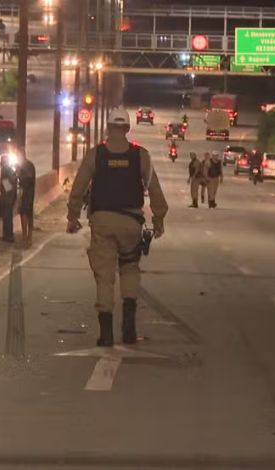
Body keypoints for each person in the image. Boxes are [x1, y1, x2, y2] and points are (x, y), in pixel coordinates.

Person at [67, 108, 168, 347]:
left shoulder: (95, 155)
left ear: (108, 128)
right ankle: (129, 327)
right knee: (130, 269)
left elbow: (78, 189)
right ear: (127, 128)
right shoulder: (140, 155)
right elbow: (155, 190)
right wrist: (159, 220)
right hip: (131, 222)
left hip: (102, 221)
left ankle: (106, 334)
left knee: (104, 276)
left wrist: (72, 216)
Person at [17, 153, 36, 247]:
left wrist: (18, 174)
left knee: (24, 213)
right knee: (28, 213)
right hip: (29, 193)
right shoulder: (29, 165)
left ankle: (26, 237)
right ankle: (28, 236)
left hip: (26, 193)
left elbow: (27, 179)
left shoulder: (26, 166)